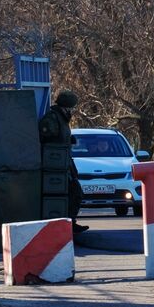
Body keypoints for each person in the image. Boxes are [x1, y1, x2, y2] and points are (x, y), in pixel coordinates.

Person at [38, 90, 87, 234]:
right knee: (74, 193)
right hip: (55, 164)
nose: (72, 110)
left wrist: (68, 140)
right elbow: (45, 138)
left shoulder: (62, 118)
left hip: (64, 163)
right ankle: (67, 224)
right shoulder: (52, 118)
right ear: (65, 106)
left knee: (75, 193)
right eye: (71, 107)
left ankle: (70, 222)